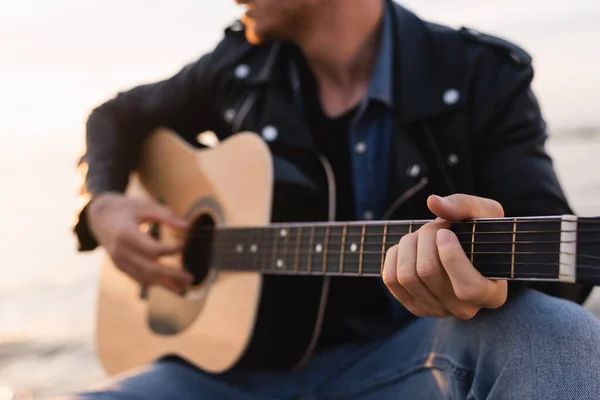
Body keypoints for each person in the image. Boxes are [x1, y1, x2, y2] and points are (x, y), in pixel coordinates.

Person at [70, 0, 600, 398]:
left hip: (412, 364)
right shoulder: (238, 68)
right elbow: (116, 117)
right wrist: (105, 204)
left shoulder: (478, 73)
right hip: (225, 377)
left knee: (561, 337)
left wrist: (492, 272)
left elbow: (566, 264)